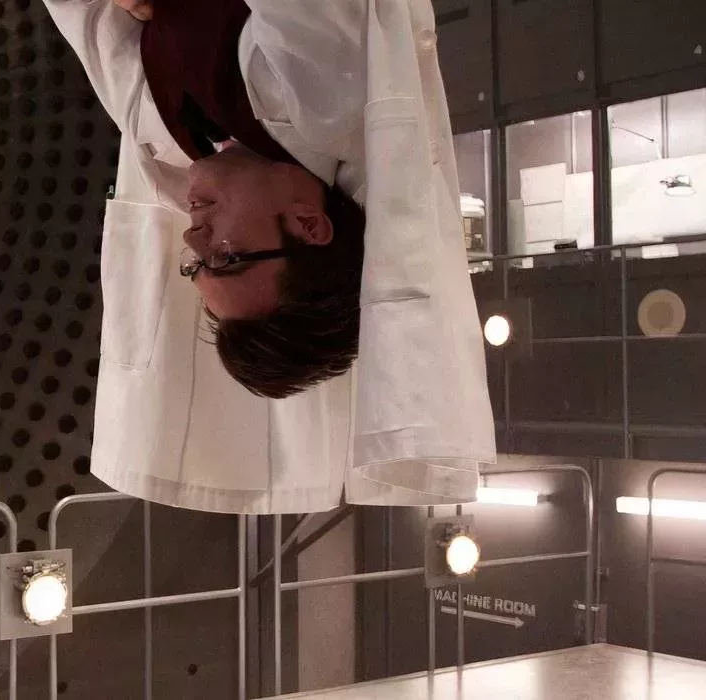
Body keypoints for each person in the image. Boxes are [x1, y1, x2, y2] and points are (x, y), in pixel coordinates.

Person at [43, 0, 495, 513]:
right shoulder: (327, 89)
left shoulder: (166, 141)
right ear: (308, 225)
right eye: (226, 257)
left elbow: (89, 21)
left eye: (195, 265)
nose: (193, 238)